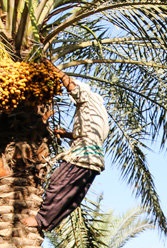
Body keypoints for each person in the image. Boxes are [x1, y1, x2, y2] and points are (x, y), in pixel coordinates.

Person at [24, 62, 109, 233]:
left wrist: (51, 67)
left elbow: (70, 84)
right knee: (72, 198)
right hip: (94, 161)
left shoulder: (86, 98)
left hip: (82, 157)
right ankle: (48, 223)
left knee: (57, 183)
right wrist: (66, 134)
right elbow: (88, 132)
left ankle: (40, 220)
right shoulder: (99, 112)